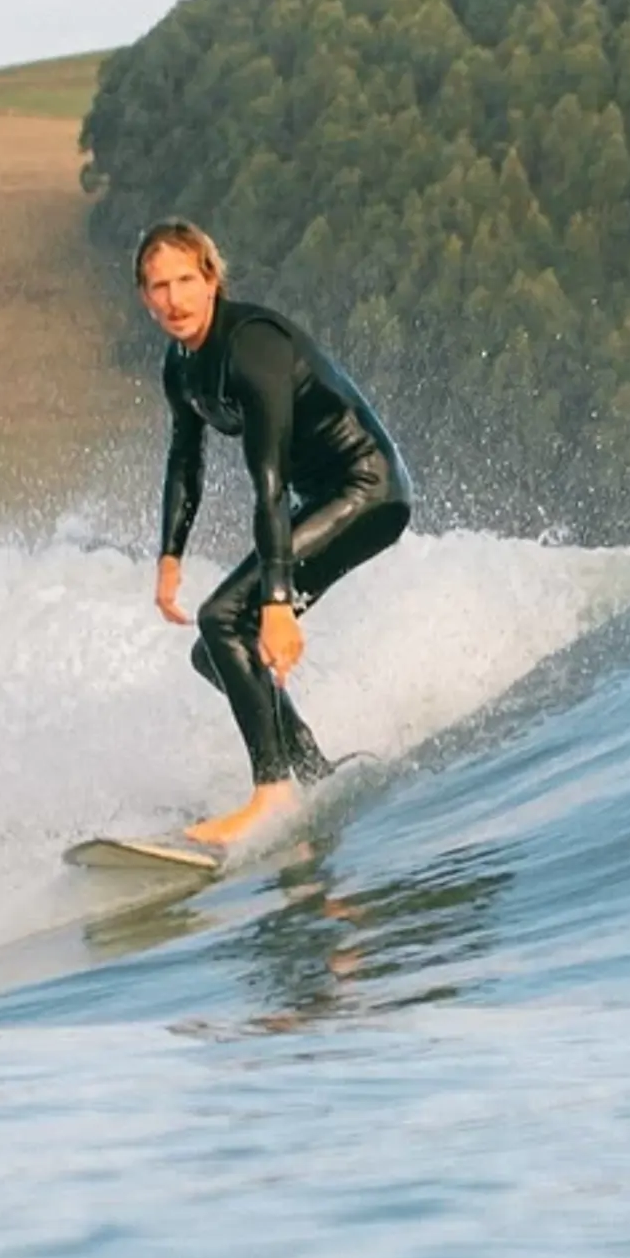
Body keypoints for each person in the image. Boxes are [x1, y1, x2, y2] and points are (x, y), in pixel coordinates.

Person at [134, 221, 411, 846]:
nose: (175, 299)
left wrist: (278, 602)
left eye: (186, 280)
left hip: (368, 490)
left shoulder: (252, 345)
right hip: (323, 498)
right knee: (215, 651)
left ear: (212, 280)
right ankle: (311, 771)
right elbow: (185, 459)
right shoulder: (182, 366)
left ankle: (273, 792)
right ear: (145, 298)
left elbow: (269, 482)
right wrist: (170, 557)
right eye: (160, 287)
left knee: (223, 619)